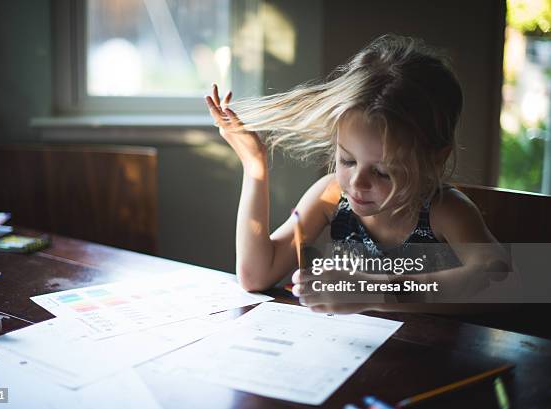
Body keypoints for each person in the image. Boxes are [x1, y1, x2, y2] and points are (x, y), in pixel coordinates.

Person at [205, 34, 508, 314]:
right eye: (347, 160)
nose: (357, 183)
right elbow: (254, 275)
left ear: (434, 160)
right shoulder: (331, 195)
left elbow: (496, 278)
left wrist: (375, 291)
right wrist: (255, 167)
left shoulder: (445, 211)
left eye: (382, 172)